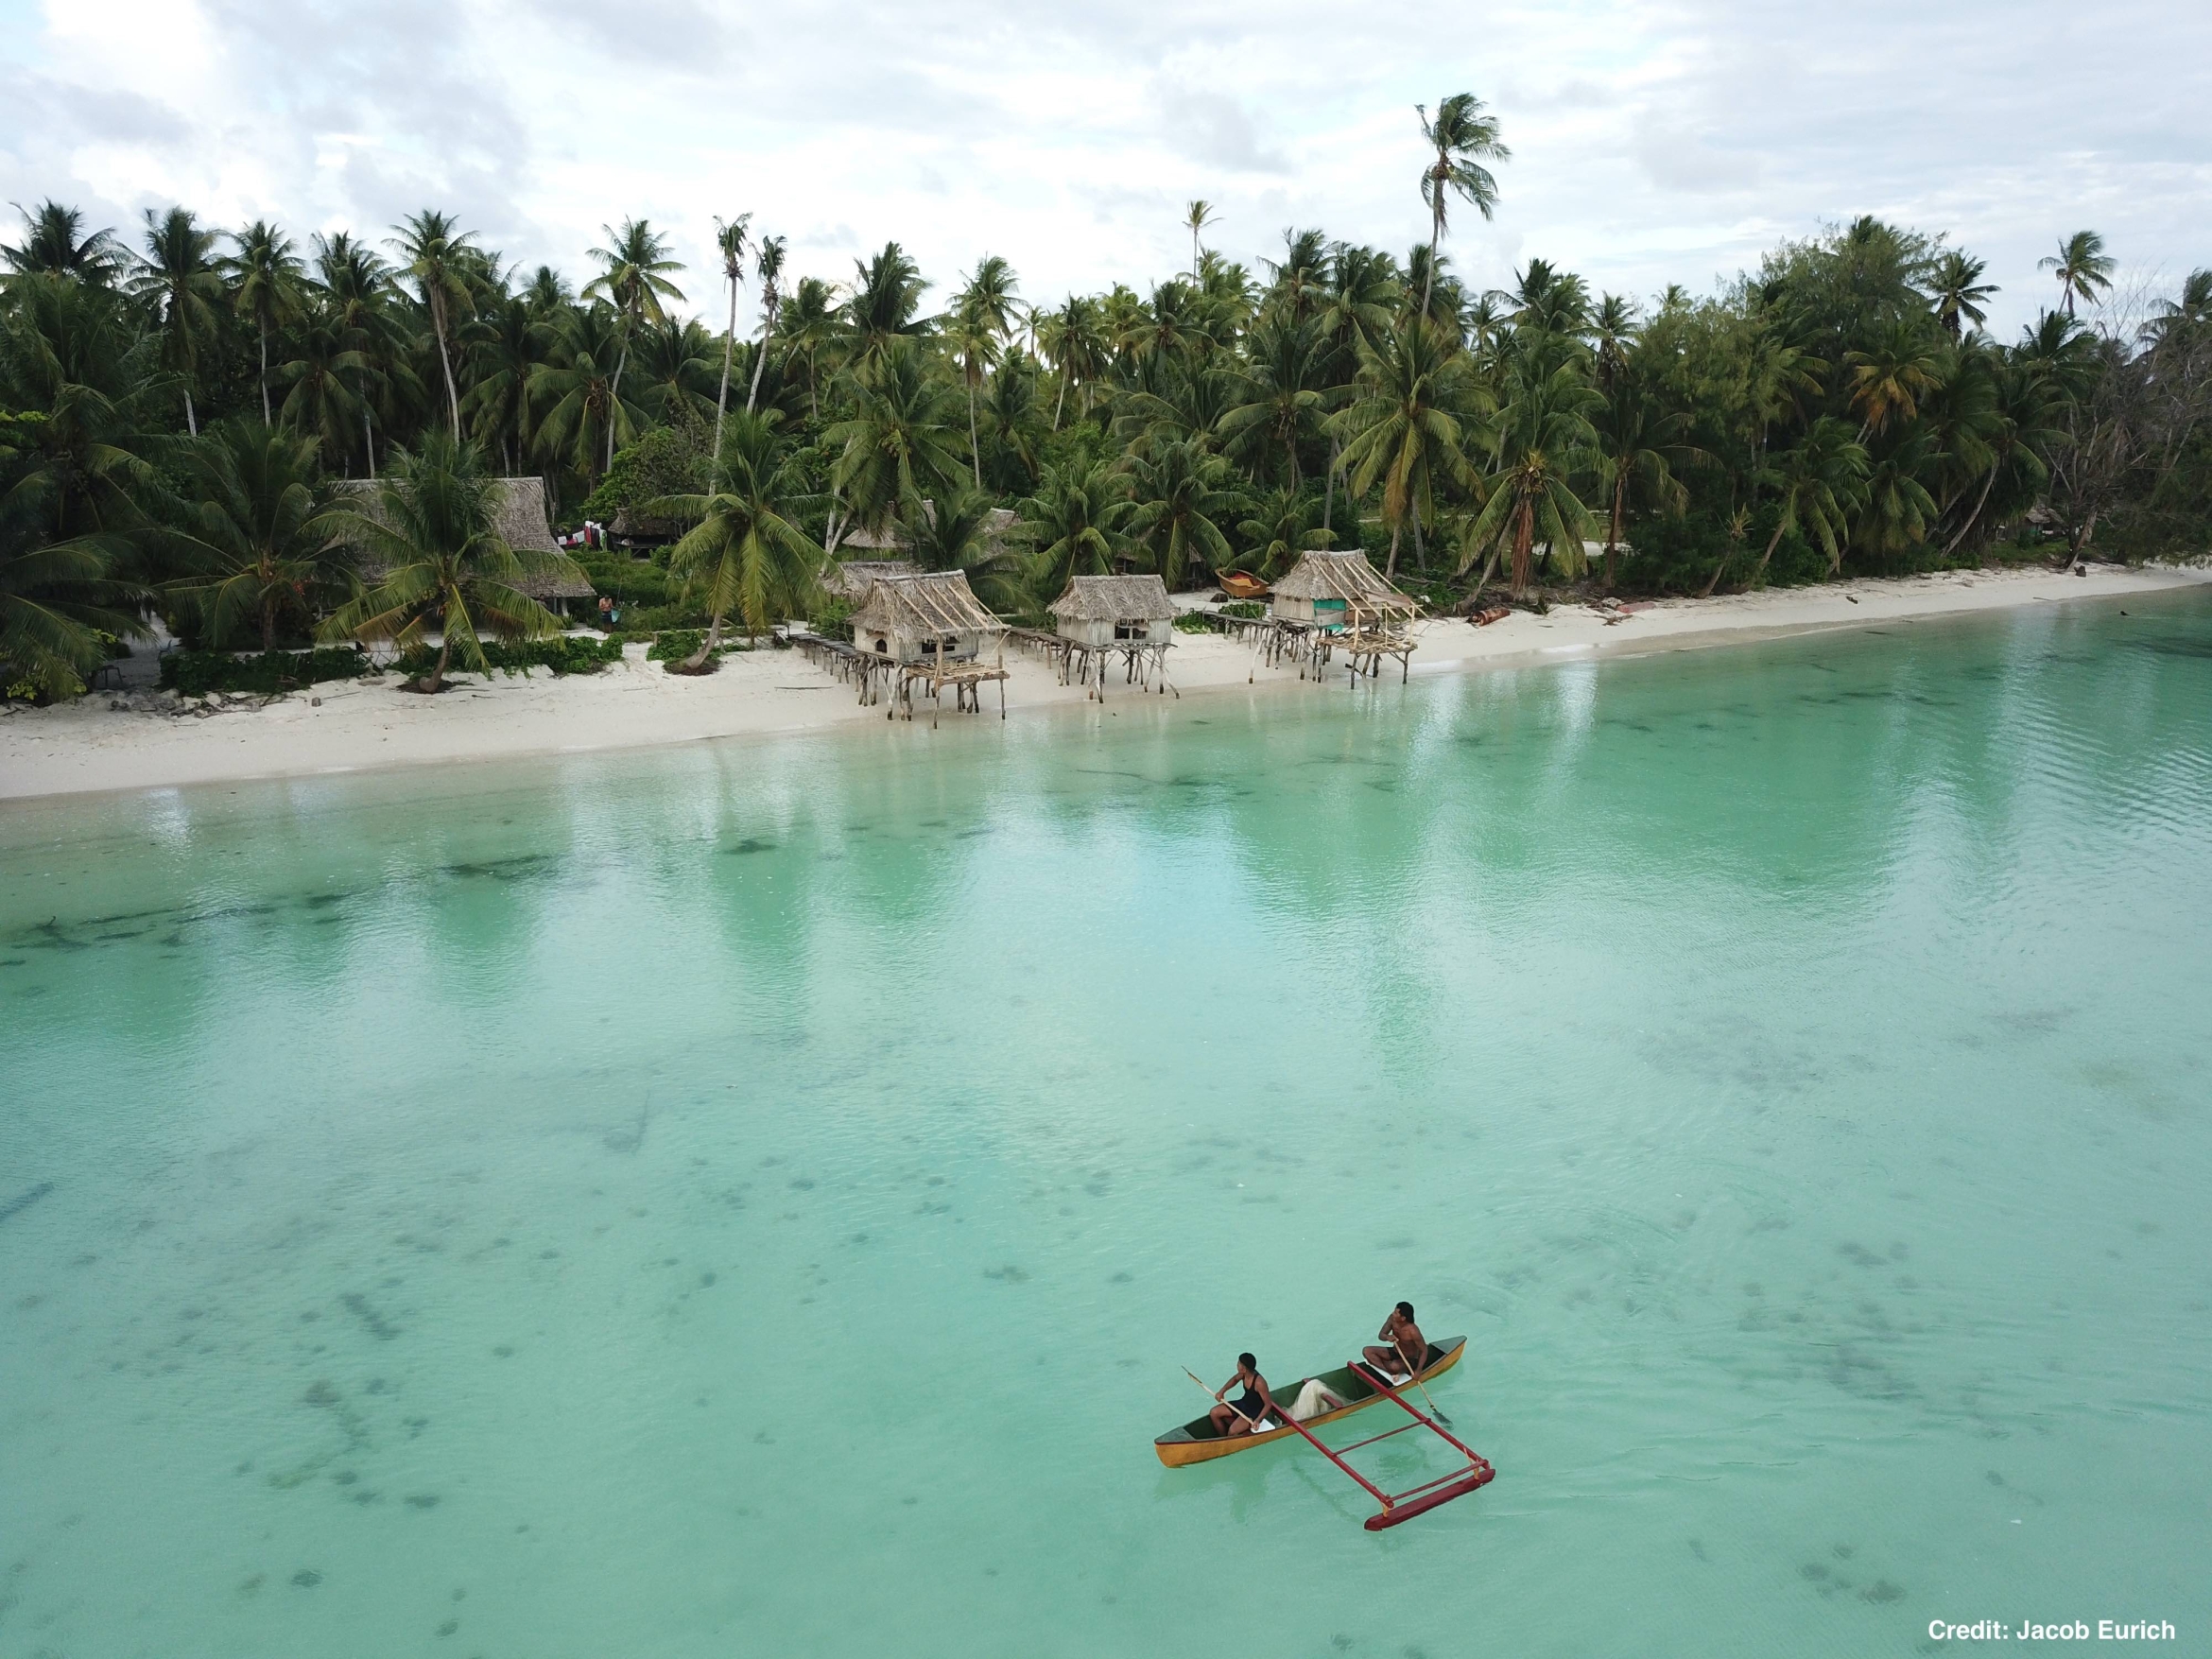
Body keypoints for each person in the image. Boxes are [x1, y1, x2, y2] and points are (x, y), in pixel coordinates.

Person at [1362, 1302, 1438, 1380]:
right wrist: (1387, 1337)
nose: (1393, 1313)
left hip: (1410, 1359)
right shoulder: (1392, 1319)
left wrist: (1418, 1370)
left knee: (1394, 1366)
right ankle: (1390, 1372)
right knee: (1367, 1351)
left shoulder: (1413, 1331)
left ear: (1403, 1318)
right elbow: (1381, 1335)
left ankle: (1390, 1367)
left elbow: (1424, 1350)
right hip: (1395, 1352)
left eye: (1395, 1313)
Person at [1208, 1353, 1280, 1436]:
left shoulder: (1259, 1383)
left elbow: (1268, 1404)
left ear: (1244, 1369)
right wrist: (1222, 1391)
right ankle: (1223, 1438)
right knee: (1214, 1412)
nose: (1237, 1365)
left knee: (1232, 1431)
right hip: (1243, 1404)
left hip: (1253, 1412)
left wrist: (1257, 1420)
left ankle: (1228, 1441)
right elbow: (1234, 1379)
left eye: (1239, 1363)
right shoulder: (1243, 1374)